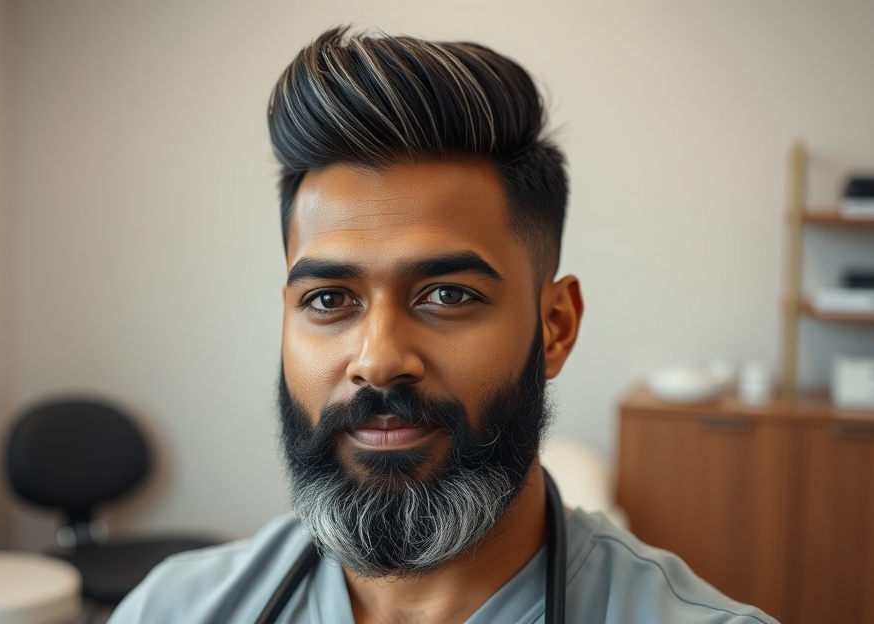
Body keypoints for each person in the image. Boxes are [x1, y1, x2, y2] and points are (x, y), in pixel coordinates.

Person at [110, 27, 778, 624]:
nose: (377, 361)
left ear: (554, 328)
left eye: (448, 294)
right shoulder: (169, 609)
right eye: (327, 300)